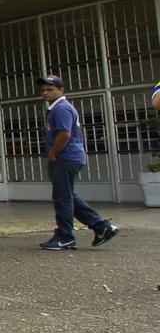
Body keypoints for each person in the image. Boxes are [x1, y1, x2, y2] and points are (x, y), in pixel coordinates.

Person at [37, 75, 118, 250]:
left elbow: (64, 134)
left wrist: (53, 152)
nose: (45, 93)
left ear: (61, 90)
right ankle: (101, 227)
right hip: (69, 157)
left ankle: (65, 237)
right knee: (68, 195)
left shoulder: (61, 108)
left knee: (63, 198)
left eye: (50, 89)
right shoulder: (57, 108)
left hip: (65, 157)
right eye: (43, 90)